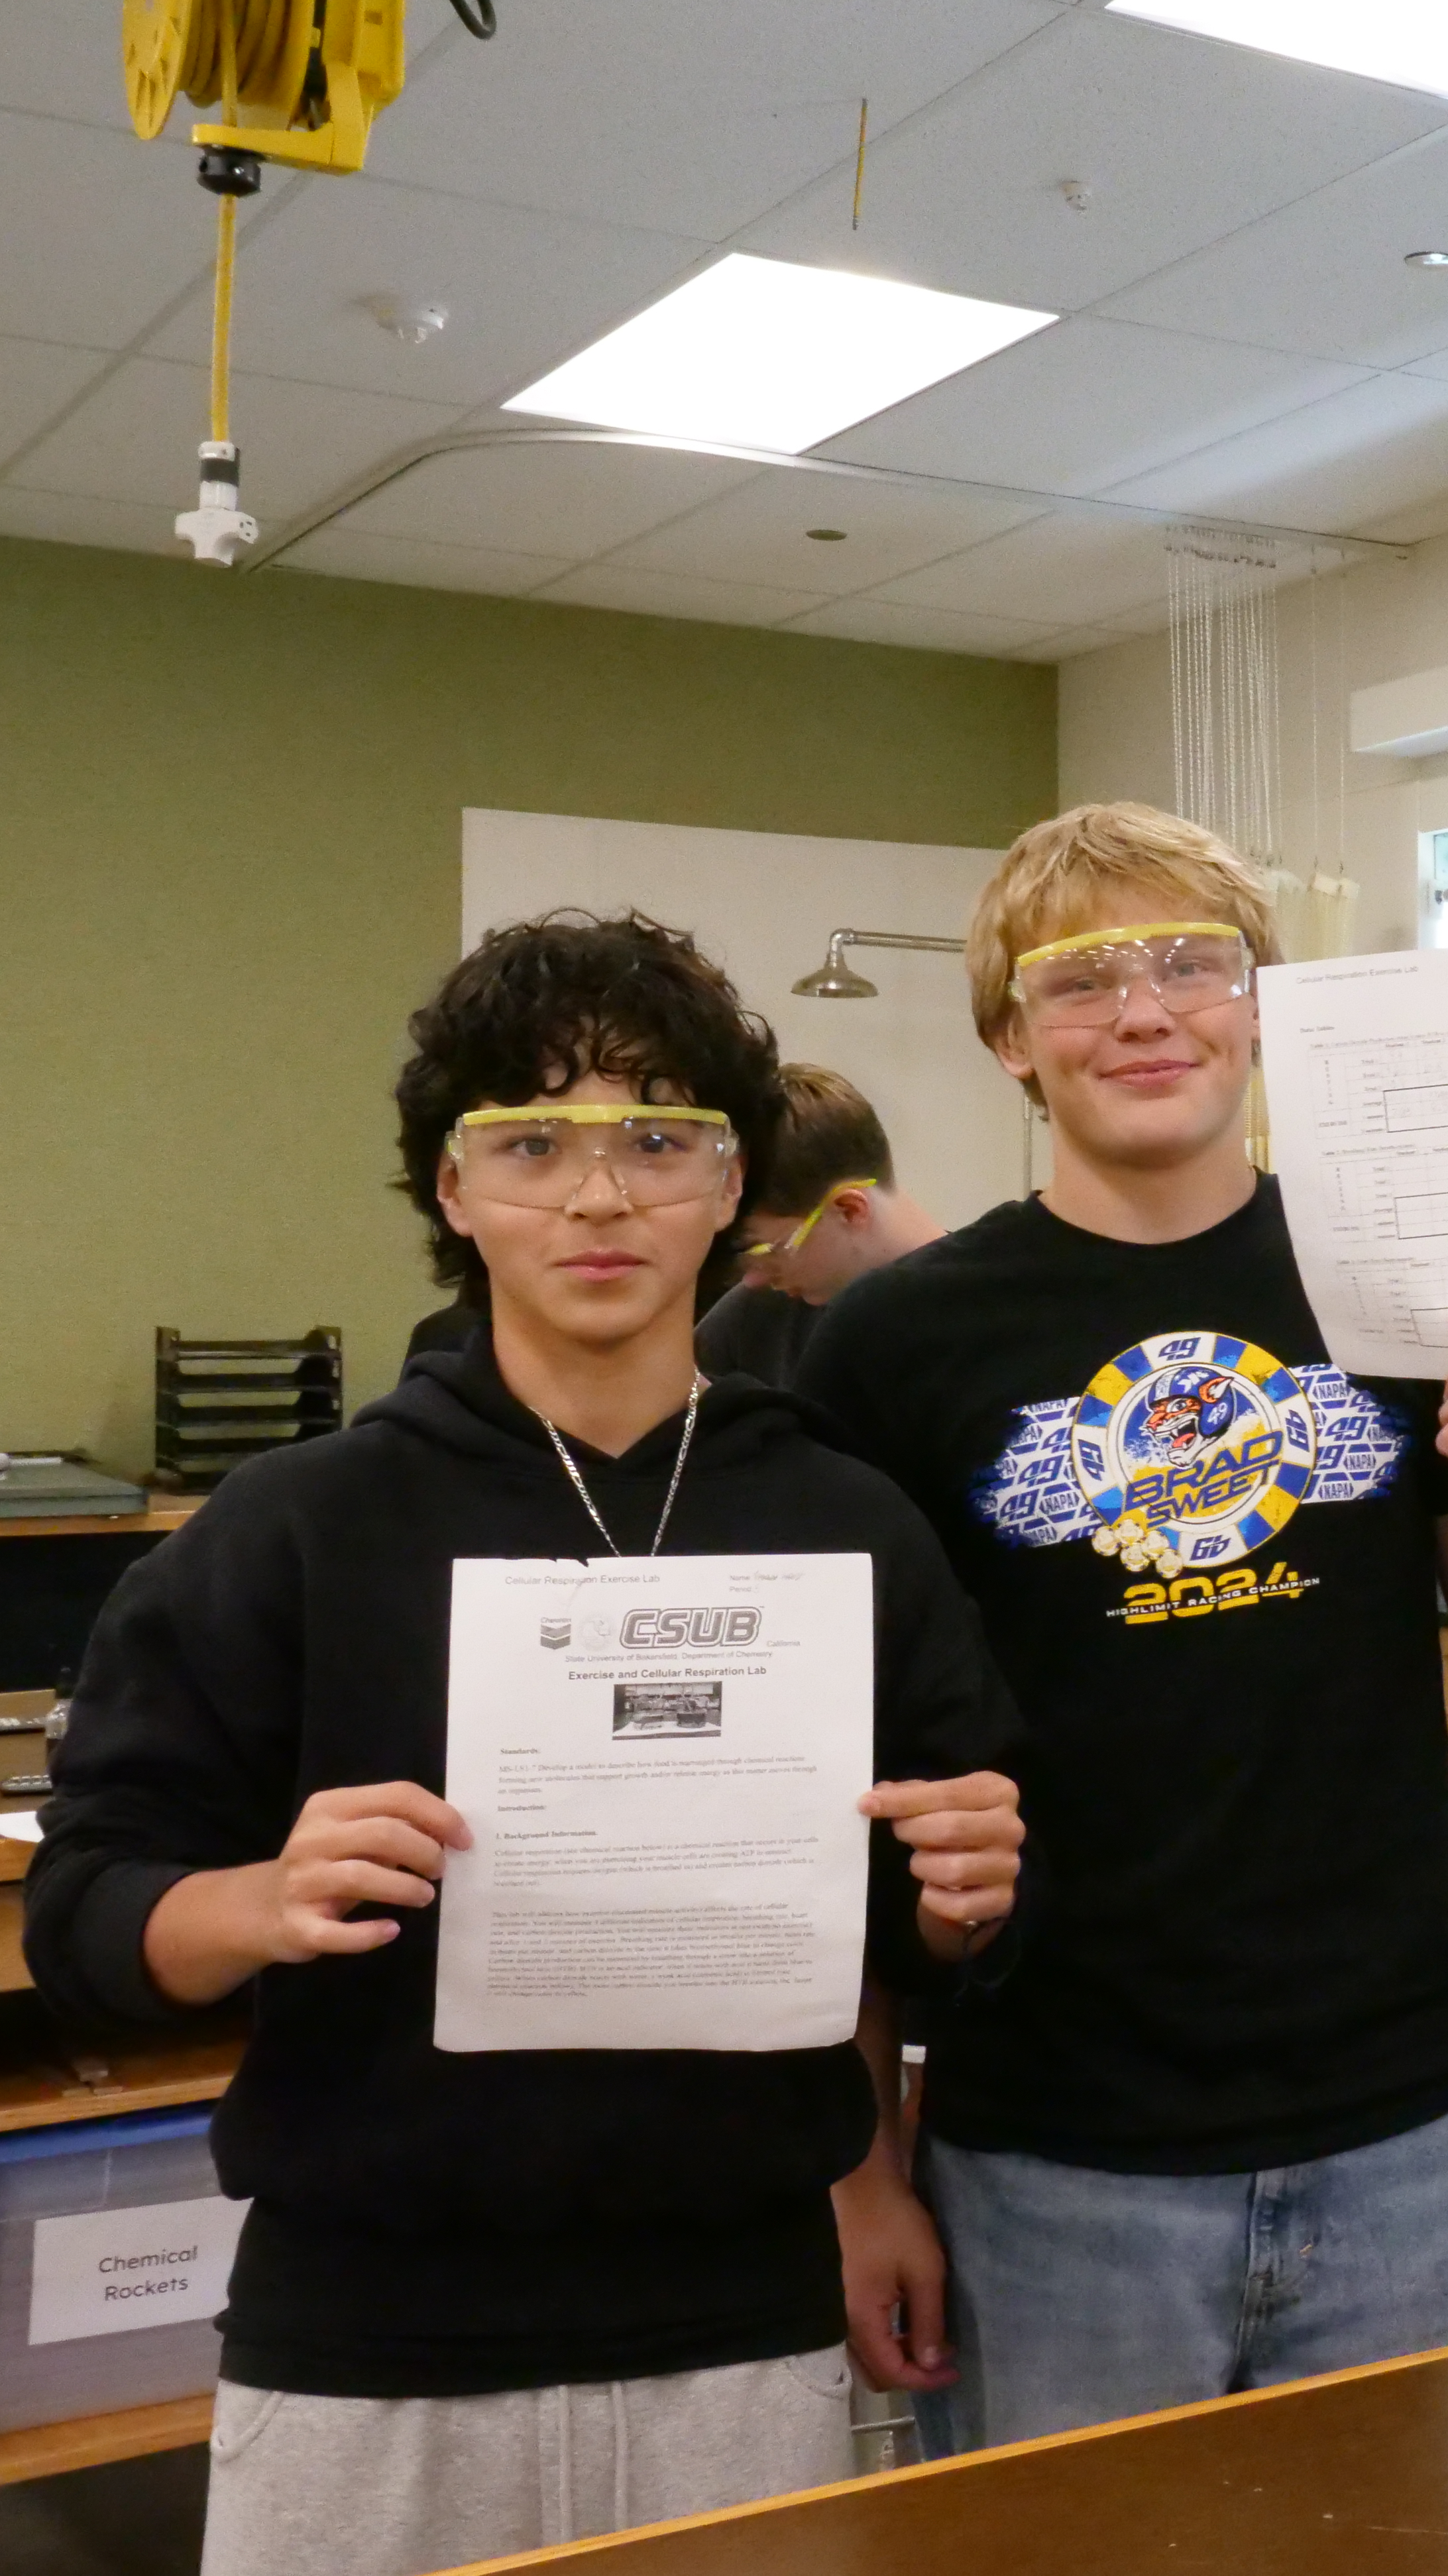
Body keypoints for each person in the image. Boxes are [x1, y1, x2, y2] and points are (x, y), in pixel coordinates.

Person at [21, 914, 1029, 2576]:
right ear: (453, 1191)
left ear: (731, 1189)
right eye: (531, 1138)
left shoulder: (846, 1519)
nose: (599, 1190)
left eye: (659, 1135)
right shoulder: (295, 1527)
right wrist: (259, 1897)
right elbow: (86, 1916)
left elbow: (937, 1917)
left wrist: (962, 1897)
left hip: (738, 2334)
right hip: (372, 2350)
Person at [795, 804, 1448, 2451]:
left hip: (1400, 2128)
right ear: (1010, 1036)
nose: (1146, 1008)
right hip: (1049, 2147)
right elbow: (838, 1795)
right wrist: (861, 2168)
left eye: (1192, 962)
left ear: (1263, 1008)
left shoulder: (1401, 1288)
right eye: (1082, 977)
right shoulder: (891, 1346)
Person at [700, 1065, 947, 1387]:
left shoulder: (983, 1320)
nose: (754, 1278)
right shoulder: (756, 1318)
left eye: (769, 1251)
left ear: (849, 1210)